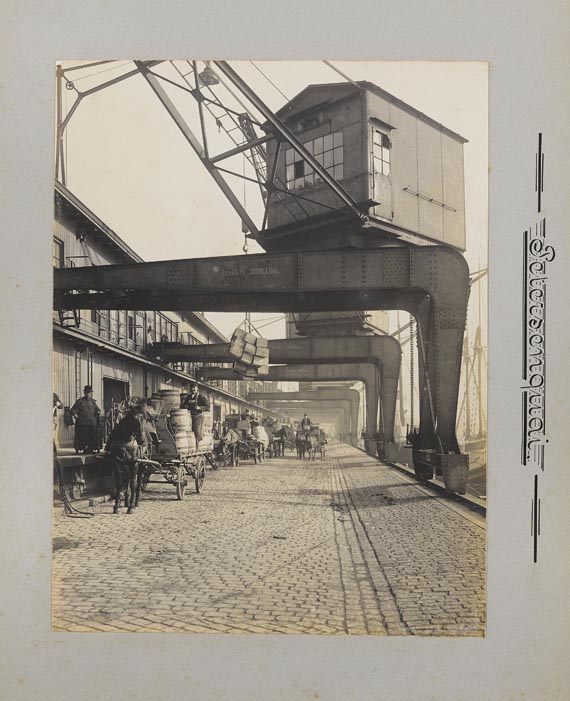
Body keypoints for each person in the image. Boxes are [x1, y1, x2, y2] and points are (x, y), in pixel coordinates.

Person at [71, 385, 101, 454]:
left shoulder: (93, 401)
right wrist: (75, 414)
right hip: (83, 423)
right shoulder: (80, 401)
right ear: (84, 393)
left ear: (91, 393)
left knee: (92, 436)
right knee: (83, 437)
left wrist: (98, 411)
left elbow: (98, 409)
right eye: (87, 393)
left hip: (92, 423)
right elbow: (72, 410)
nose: (88, 394)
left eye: (89, 393)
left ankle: (90, 449)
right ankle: (84, 448)